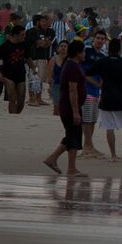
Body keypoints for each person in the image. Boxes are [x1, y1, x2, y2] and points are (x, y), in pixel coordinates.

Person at [43, 40, 87, 176]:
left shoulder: (70, 65)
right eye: (83, 51)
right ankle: (71, 168)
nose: (85, 54)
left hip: (70, 107)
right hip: (69, 108)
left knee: (72, 136)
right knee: (72, 137)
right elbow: (72, 90)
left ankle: (53, 159)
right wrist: (75, 112)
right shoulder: (72, 67)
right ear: (78, 53)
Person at [96, 37, 122, 162]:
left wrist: (100, 89)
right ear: (119, 49)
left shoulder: (103, 62)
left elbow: (100, 80)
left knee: (109, 127)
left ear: (109, 49)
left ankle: (113, 155)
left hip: (106, 98)